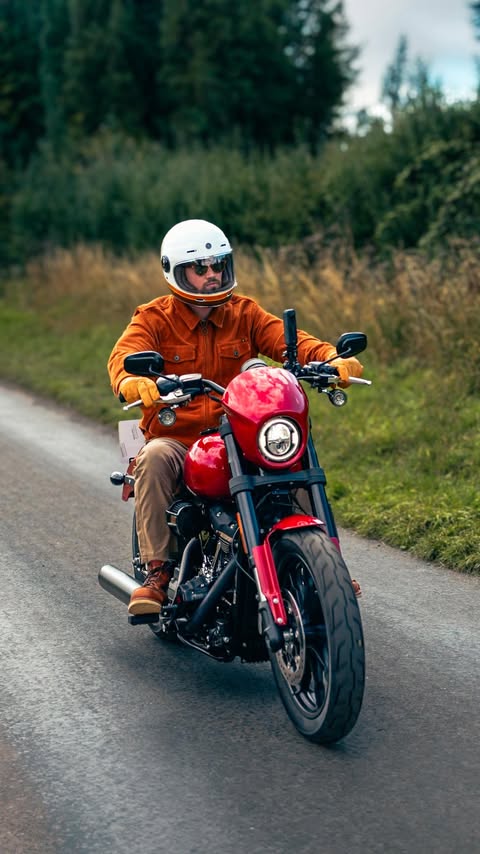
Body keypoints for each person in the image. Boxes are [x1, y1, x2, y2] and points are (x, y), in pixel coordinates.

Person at [108, 219, 363, 615]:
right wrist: (131, 382)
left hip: (242, 434)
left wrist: (331, 358)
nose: (212, 275)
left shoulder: (245, 312)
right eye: (201, 267)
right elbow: (123, 358)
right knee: (155, 456)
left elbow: (289, 342)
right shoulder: (154, 318)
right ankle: (157, 573)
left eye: (218, 265)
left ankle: (325, 567)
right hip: (183, 441)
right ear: (176, 271)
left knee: (291, 457)